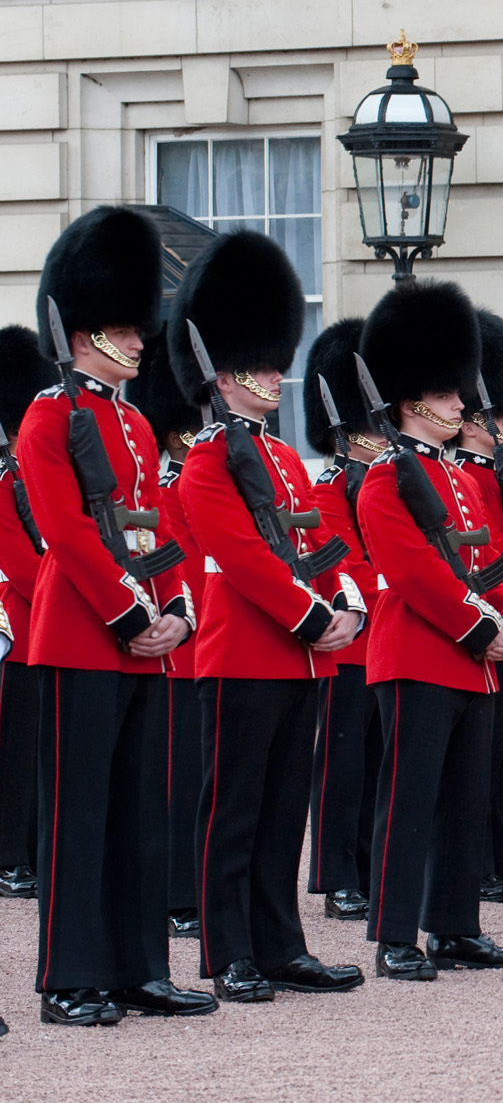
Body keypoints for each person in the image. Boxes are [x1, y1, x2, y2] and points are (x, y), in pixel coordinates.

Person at [19, 206, 213, 1025]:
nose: (142, 342)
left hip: (144, 643)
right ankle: (71, 976)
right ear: (86, 330)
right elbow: (63, 530)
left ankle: (139, 967)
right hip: (80, 638)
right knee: (80, 815)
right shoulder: (46, 417)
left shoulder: (133, 423)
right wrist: (131, 612)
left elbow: (155, 528)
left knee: (141, 812)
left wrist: (176, 609)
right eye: (128, 330)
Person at [169, 230, 366, 1002]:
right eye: (259, 366)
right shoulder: (206, 461)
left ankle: (282, 943)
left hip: (301, 653)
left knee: (285, 810)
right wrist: (315, 616)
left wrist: (343, 599)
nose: (276, 378)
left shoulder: (285, 461)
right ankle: (228, 951)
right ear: (221, 376)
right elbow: (241, 559)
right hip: (243, 652)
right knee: (234, 811)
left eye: (277, 363)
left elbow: (321, 539)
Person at [354, 279, 503, 981]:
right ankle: (396, 933)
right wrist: (480, 627)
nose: (464, 402)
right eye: (452, 392)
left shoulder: (458, 478)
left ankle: (456, 925)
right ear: (413, 399)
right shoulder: (384, 479)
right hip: (420, 656)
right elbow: (412, 572)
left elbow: (489, 554)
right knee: (409, 799)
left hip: (475, 658)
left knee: (465, 798)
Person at [302, 318, 387, 923]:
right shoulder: (329, 488)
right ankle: (338, 876)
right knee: (342, 764)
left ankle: (373, 865)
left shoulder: (386, 481)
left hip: (391, 646)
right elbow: (345, 564)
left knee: (382, 763)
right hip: (352, 644)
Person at [452, 309, 503, 906]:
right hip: (488, 629)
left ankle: (498, 847)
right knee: (482, 755)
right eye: (497, 414)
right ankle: (478, 855)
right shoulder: (460, 478)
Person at [125, 337, 204, 939]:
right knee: (176, 777)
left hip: (199, 636)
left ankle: (191, 885)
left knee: (201, 775)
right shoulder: (172, 484)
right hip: (180, 645)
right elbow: (168, 556)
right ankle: (178, 892)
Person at [0, 324, 55, 902]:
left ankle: (37, 848)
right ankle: (11, 854)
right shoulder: (4, 483)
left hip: (60, 629)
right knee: (19, 753)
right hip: (22, 631)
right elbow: (21, 567)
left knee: (47, 753)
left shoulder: (46, 477)